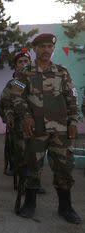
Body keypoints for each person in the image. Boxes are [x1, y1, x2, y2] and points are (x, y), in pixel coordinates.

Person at [11, 33, 81, 224]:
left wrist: (73, 121)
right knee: (33, 165)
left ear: (53, 49)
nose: (46, 51)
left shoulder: (62, 71)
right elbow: (16, 97)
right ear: (35, 49)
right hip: (36, 130)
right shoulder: (23, 73)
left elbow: (71, 98)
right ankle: (30, 203)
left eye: (49, 47)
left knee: (64, 168)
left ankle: (65, 207)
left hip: (60, 130)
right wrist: (25, 116)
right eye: (42, 47)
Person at [0, 51, 46, 194]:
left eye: (26, 61)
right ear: (15, 65)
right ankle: (22, 183)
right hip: (19, 126)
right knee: (21, 156)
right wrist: (9, 117)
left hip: (38, 125)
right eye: (20, 62)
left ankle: (35, 183)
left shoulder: (39, 80)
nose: (24, 64)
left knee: (37, 156)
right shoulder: (12, 84)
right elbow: (4, 103)